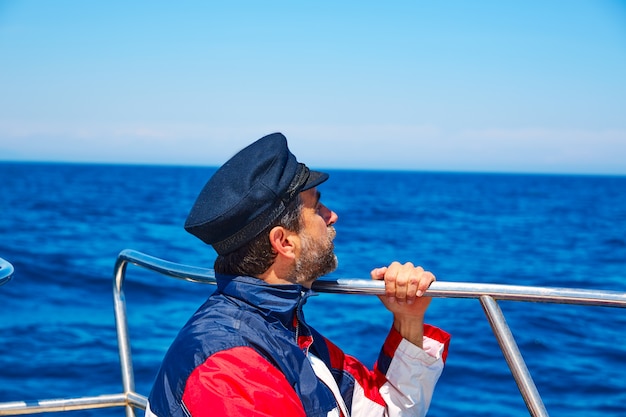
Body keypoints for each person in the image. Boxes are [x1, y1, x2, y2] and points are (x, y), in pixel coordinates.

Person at [146, 133, 450, 417]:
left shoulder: (289, 334)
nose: (332, 216)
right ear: (285, 242)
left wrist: (408, 319)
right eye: (317, 206)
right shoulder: (229, 368)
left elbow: (386, 410)